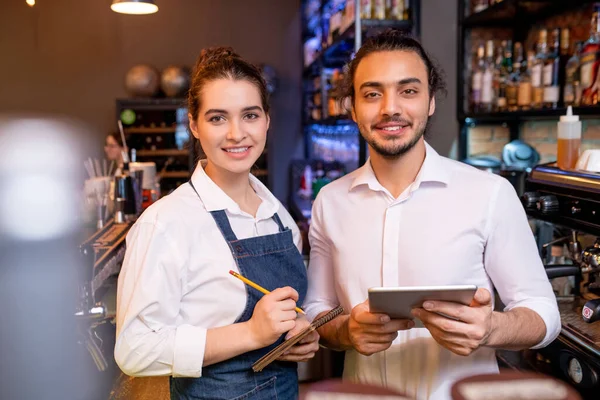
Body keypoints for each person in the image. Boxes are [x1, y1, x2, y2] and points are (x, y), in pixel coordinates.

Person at [303, 30, 560, 400]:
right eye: (373, 93)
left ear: (430, 102)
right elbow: (317, 311)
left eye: (408, 91)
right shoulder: (330, 201)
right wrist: (345, 333)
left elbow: (543, 313)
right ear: (353, 107)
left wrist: (492, 328)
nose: (391, 107)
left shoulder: (489, 194)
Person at [114, 47, 319, 400]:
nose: (237, 133)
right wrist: (252, 334)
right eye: (218, 118)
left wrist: (299, 332)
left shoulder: (278, 216)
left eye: (250, 115)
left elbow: (289, 313)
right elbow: (134, 349)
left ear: (267, 120)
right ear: (193, 124)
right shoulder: (167, 221)